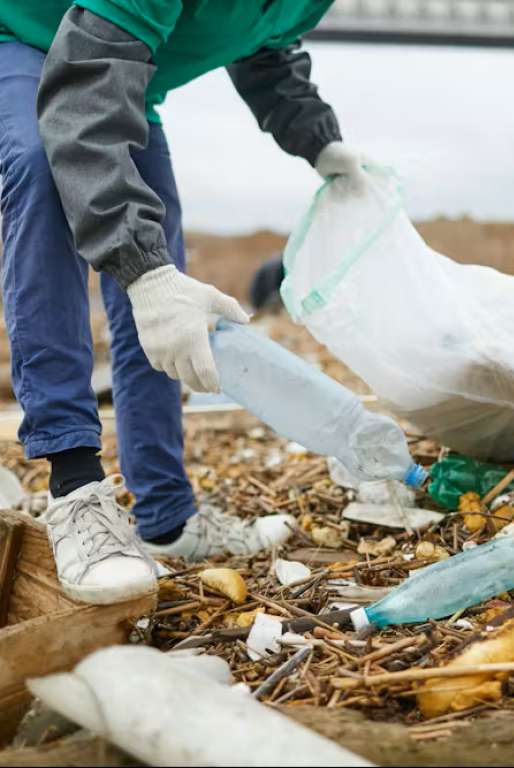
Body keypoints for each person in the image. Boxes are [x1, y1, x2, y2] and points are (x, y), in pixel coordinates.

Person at [0, 1, 369, 605]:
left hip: (120, 79)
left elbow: (262, 41)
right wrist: (139, 271)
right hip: (27, 42)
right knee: (45, 175)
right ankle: (74, 490)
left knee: (163, 264)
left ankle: (166, 518)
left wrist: (319, 139)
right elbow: (84, 90)